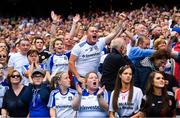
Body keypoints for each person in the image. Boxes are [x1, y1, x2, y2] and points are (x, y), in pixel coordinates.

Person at [69, 15, 126, 86]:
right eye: (92, 31)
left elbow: (113, 33)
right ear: (86, 34)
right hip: (82, 78)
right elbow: (71, 62)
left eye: (96, 31)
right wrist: (78, 77)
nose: (95, 32)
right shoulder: (79, 46)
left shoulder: (100, 42)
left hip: (94, 78)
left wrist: (120, 21)